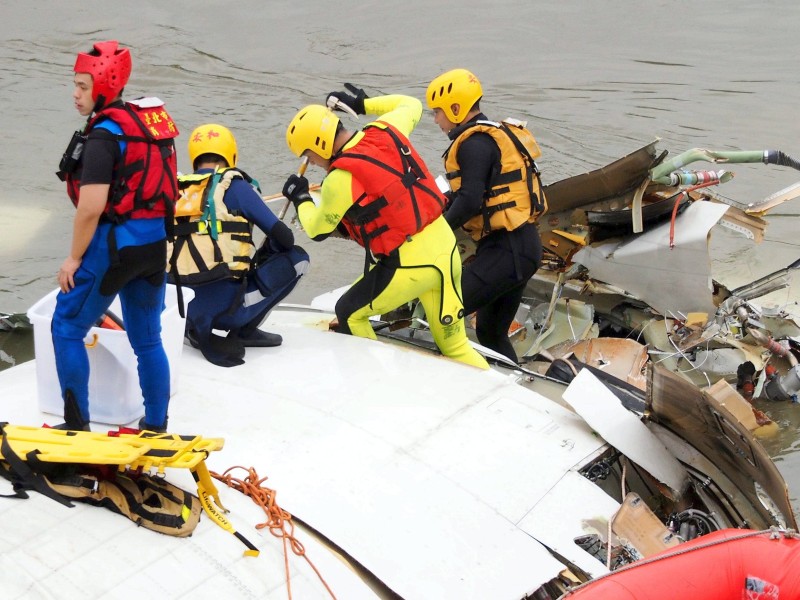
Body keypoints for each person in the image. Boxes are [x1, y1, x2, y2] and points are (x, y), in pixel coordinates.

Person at [282, 88, 488, 370]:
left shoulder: (340, 179)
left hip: (412, 266)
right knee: (455, 346)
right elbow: (410, 103)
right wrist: (360, 103)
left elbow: (317, 229)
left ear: (318, 147)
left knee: (349, 313)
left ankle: (374, 385)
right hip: (446, 249)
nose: (313, 164)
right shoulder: (385, 129)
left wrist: (301, 198)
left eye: (309, 157)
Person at [53, 40, 179, 432]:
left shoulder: (104, 136)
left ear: (105, 85)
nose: (75, 94)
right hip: (154, 247)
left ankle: (76, 427)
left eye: (83, 87)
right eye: (75, 85)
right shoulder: (148, 124)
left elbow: (91, 207)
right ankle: (156, 424)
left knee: (66, 328)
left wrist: (73, 258)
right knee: (147, 341)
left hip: (114, 249)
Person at [426, 68, 546, 364]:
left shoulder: (474, 144)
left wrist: (434, 232)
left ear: (456, 109)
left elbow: (469, 200)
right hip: (521, 247)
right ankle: (514, 384)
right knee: (491, 332)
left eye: (438, 112)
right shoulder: (489, 136)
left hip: (509, 250)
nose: (436, 120)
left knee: (446, 311)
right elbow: (474, 193)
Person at [170, 124, 309, 367]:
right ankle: (244, 329)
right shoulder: (236, 186)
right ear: (231, 155)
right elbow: (286, 239)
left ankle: (193, 326)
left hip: (177, 309)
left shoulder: (174, 188)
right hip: (226, 312)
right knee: (298, 259)